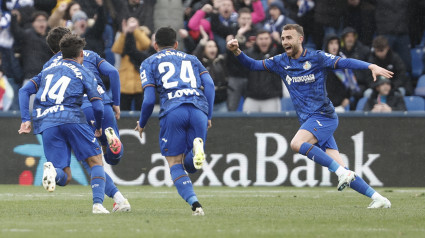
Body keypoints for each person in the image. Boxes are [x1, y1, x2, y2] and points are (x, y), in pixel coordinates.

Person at [227, 23, 393, 208]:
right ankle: (379, 198)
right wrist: (237, 52)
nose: (285, 42)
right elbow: (253, 65)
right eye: (282, 38)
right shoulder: (281, 61)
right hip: (309, 119)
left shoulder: (317, 57)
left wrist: (370, 66)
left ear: (300, 39)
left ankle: (342, 174)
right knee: (343, 169)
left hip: (324, 116)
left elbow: (344, 62)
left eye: (289, 38)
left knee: (296, 144)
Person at [18, 34, 109, 214]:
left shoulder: (47, 70)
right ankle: (98, 204)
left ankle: (53, 173)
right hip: (72, 118)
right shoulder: (83, 72)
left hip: (47, 122)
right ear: (81, 54)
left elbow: (24, 90)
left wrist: (25, 120)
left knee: (65, 177)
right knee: (96, 161)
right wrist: (98, 127)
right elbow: (98, 106)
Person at [42, 26, 130, 212]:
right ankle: (119, 198)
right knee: (109, 159)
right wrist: (116, 102)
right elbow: (113, 72)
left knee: (90, 162)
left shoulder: (49, 65)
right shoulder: (88, 54)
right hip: (101, 103)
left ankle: (111, 200)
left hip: (76, 111)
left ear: (52, 49)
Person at [135, 27, 215, 215]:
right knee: (191, 166)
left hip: (173, 110)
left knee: (175, 164)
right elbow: (210, 85)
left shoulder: (149, 62)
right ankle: (197, 148)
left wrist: (142, 123)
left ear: (155, 45)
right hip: (198, 109)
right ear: (176, 44)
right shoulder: (192, 59)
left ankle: (195, 204)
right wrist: (209, 115)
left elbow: (148, 100)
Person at [112, 17, 151, 111]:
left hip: (139, 79)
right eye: (130, 23)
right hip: (125, 80)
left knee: (140, 111)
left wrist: (135, 31)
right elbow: (116, 49)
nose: (132, 25)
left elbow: (146, 44)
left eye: (134, 22)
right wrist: (125, 33)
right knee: (123, 110)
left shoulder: (141, 34)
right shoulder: (122, 35)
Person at [243, 30, 282, 113]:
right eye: (261, 39)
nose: (264, 41)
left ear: (271, 40)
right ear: (256, 41)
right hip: (251, 97)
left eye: (266, 38)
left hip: (271, 97)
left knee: (272, 125)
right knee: (247, 125)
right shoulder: (249, 54)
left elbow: (290, 54)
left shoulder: (277, 53)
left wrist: (279, 41)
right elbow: (235, 61)